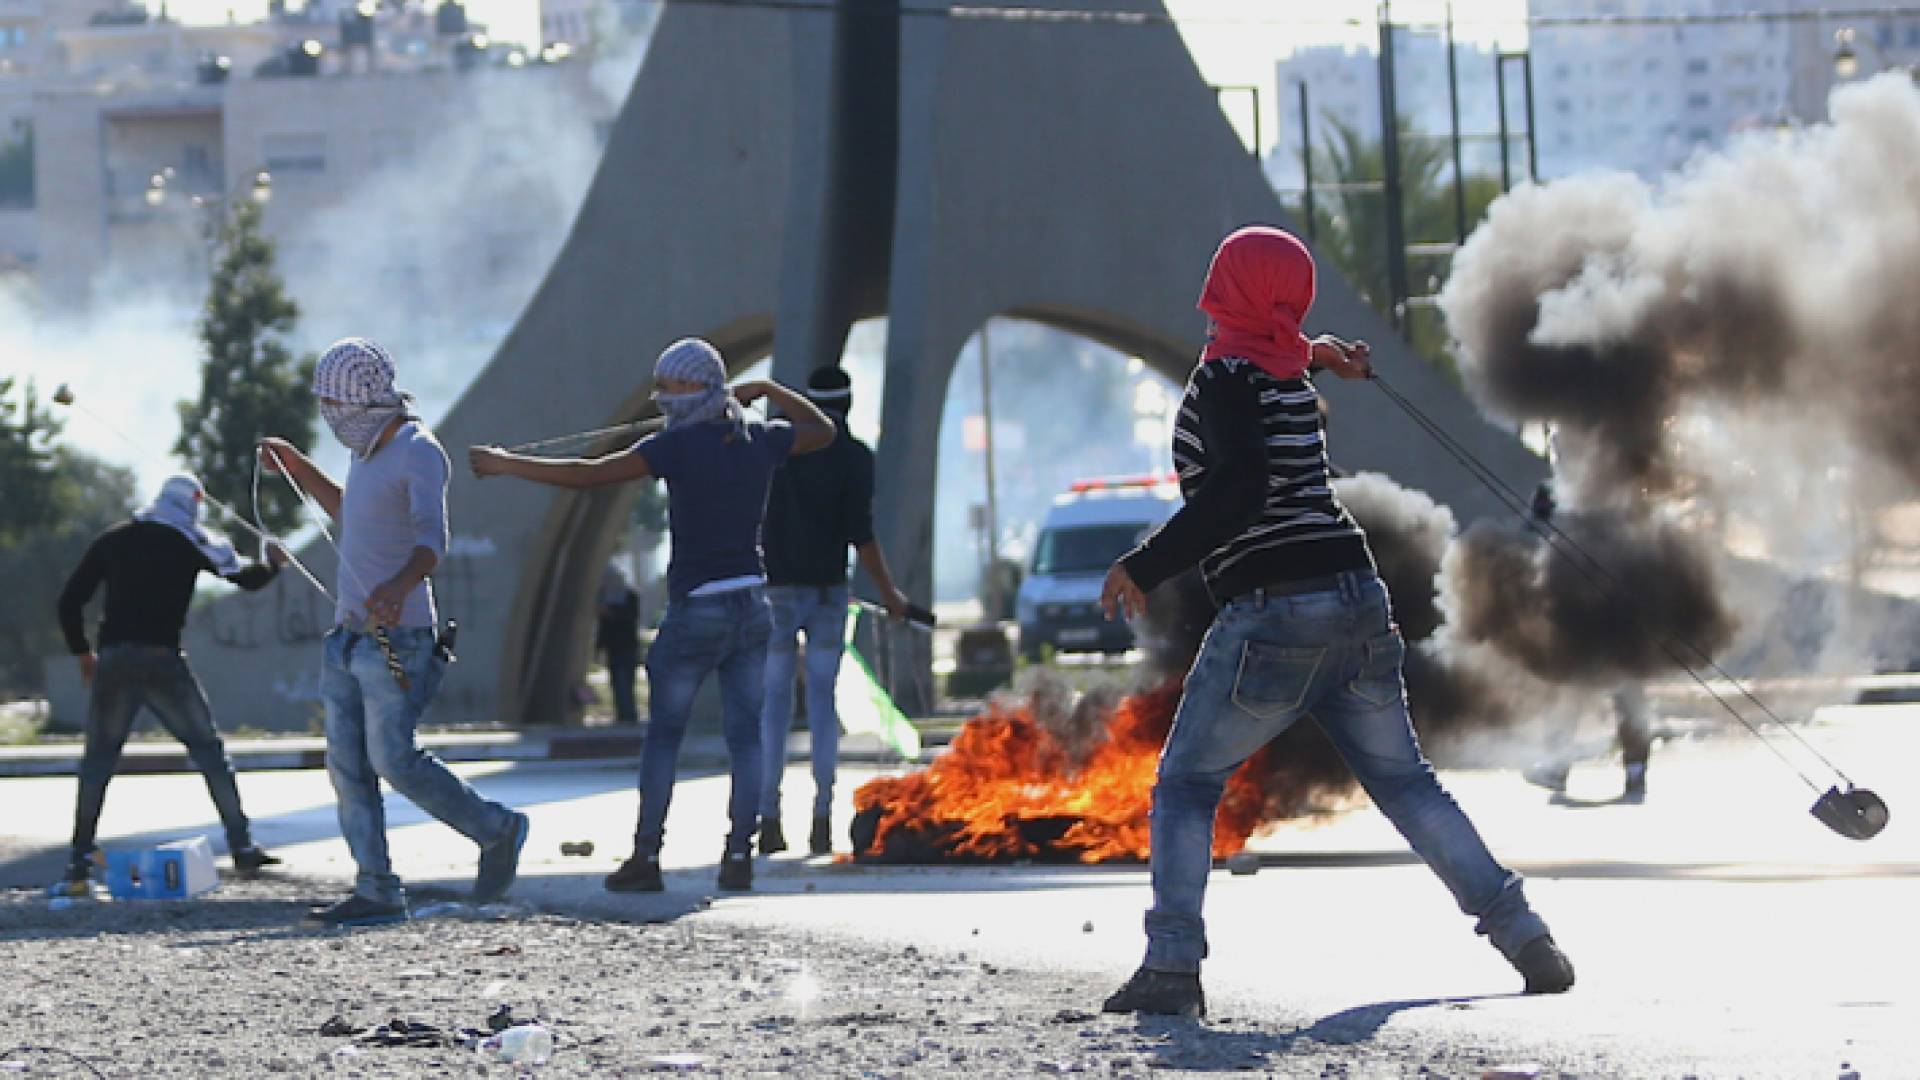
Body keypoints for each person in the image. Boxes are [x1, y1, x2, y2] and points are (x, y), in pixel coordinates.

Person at [1097, 226, 1575, 1017]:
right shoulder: (1283, 373)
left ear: (1230, 290)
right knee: (1407, 785)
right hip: (1356, 594)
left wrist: (1144, 564)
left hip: (1275, 609)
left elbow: (1239, 490)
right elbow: (1281, 357)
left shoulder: (1226, 381)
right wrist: (1321, 353)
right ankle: (1526, 937)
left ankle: (1172, 969)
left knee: (1185, 785)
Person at [469, 339, 837, 893]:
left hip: (699, 608)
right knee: (746, 738)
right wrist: (769, 392)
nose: (663, 395)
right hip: (753, 605)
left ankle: (647, 857)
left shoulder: (676, 445)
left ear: (700, 387)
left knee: (665, 736)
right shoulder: (756, 437)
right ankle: (738, 856)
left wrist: (506, 464)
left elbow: (586, 474)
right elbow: (823, 431)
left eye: (673, 385)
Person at [261, 338, 529, 926]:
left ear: (364, 400)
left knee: (394, 759)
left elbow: (432, 541)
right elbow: (348, 512)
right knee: (348, 766)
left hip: (399, 637)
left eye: (335, 402)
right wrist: (297, 467)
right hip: (346, 638)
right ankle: (376, 888)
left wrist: (397, 588)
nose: (329, 415)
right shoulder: (363, 453)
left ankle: (498, 828)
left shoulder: (418, 451)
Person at [55, 474, 285, 888]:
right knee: (209, 753)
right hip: (163, 661)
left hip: (115, 662)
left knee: (98, 762)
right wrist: (273, 565)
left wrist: (83, 653)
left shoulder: (114, 539)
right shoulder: (191, 541)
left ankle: (78, 860)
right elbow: (245, 580)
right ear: (194, 502)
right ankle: (243, 848)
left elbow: (70, 601)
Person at [757, 366, 910, 858]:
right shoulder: (854, 457)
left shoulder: (776, 449)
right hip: (827, 592)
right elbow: (860, 534)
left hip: (776, 591)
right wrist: (889, 593)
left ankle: (768, 817)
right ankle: (822, 818)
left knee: (774, 706)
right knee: (823, 706)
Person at [1520, 481, 1655, 801]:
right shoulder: (1585, 486)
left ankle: (1568, 768)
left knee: (1593, 690)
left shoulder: (1614, 488)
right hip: (1598, 606)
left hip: (1606, 608)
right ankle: (1566, 768)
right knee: (1585, 690)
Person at [596, 562, 643, 726]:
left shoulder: (629, 596)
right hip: (613, 648)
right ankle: (623, 714)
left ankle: (629, 715)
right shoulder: (603, 596)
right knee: (616, 683)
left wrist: (611, 614)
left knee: (626, 682)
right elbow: (603, 628)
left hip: (627, 647)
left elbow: (630, 621)